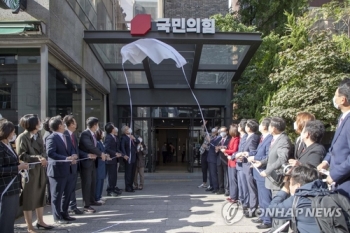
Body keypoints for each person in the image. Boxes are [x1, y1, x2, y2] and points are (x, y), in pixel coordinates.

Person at [16, 114, 53, 232]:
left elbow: (44, 151)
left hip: (40, 170)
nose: (40, 123)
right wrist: (38, 158)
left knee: (41, 195)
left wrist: (43, 157)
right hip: (29, 171)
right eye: (38, 121)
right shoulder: (22, 137)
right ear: (33, 124)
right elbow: (22, 155)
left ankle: (40, 221)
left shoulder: (38, 135)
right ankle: (29, 226)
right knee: (29, 198)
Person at [254, 117, 291, 233]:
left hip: (277, 179)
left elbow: (282, 159)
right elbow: (270, 157)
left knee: (278, 205)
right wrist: (261, 162)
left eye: (269, 125)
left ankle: (280, 229)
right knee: (273, 204)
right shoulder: (275, 139)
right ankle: (274, 228)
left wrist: (268, 170)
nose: (267, 127)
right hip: (271, 179)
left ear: (274, 128)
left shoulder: (283, 140)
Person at [268, 164, 326, 233]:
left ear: (298, 186)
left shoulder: (298, 201)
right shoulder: (331, 194)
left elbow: (271, 210)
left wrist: (284, 190)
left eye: (290, 183)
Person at [317, 78, 350, 199]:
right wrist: (326, 162)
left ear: (343, 99)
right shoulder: (342, 118)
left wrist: (335, 174)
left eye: (335, 96)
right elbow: (336, 147)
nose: (334, 99)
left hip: (345, 182)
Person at [46, 116, 77, 224]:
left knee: (67, 193)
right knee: (57, 195)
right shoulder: (52, 137)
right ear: (59, 125)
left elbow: (71, 149)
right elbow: (50, 153)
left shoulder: (66, 136)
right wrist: (65, 158)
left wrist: (73, 155)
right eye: (63, 123)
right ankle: (57, 217)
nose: (64, 125)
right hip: (57, 171)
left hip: (68, 169)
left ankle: (65, 213)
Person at [0, 120, 29, 233]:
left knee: (10, 216)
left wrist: (21, 165)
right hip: (5, 186)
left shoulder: (7, 145)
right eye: (12, 132)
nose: (14, 134)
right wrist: (18, 168)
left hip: (14, 185)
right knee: (5, 216)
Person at [247, 117, 273, 230]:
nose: (259, 126)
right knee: (261, 196)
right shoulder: (263, 137)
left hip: (263, 170)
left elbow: (268, 156)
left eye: (261, 123)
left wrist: (255, 157)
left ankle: (267, 220)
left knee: (265, 197)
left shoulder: (270, 138)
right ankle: (262, 216)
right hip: (257, 171)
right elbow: (258, 151)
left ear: (265, 126)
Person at [79, 117, 107, 213]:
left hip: (93, 162)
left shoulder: (93, 135)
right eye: (97, 124)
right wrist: (100, 154)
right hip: (86, 162)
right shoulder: (85, 134)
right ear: (94, 125)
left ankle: (92, 200)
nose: (98, 127)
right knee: (87, 183)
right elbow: (89, 146)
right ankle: (86, 205)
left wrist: (100, 154)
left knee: (92, 182)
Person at [237, 119, 260, 217]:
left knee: (251, 188)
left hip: (249, 166)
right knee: (248, 187)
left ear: (249, 128)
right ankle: (251, 206)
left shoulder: (254, 137)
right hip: (245, 164)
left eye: (246, 126)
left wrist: (248, 154)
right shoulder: (247, 137)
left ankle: (253, 208)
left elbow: (254, 151)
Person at [63, 115, 84, 215]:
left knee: (72, 187)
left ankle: (73, 206)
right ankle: (69, 207)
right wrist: (70, 157)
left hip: (75, 165)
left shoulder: (73, 135)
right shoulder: (65, 134)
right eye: (74, 122)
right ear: (71, 124)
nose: (76, 124)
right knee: (68, 188)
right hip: (68, 165)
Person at [104, 123, 125, 197]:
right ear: (111, 129)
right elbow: (106, 148)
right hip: (110, 160)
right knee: (111, 176)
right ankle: (110, 190)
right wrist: (115, 153)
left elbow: (117, 148)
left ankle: (113, 188)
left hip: (115, 160)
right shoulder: (109, 137)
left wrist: (120, 154)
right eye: (113, 127)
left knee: (114, 176)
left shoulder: (114, 137)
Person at [232, 119, 248, 210]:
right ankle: (241, 201)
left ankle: (245, 202)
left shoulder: (246, 137)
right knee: (240, 185)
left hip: (243, 164)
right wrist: (235, 155)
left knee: (244, 185)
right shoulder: (242, 137)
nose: (237, 128)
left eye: (238, 126)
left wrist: (238, 155)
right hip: (238, 164)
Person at [221, 124, 240, 203]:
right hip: (230, 161)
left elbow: (234, 150)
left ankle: (234, 196)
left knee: (233, 180)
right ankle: (232, 195)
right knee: (231, 179)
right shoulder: (232, 138)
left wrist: (225, 151)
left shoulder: (236, 139)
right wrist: (226, 149)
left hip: (233, 162)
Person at [120, 125, 139, 192]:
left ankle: (131, 185)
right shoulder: (124, 138)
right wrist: (124, 155)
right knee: (128, 173)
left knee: (133, 172)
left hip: (134, 157)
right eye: (128, 129)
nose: (129, 129)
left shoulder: (131, 137)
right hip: (128, 157)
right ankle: (128, 187)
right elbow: (122, 147)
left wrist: (134, 138)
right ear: (125, 131)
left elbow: (138, 141)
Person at [216, 126, 231, 195]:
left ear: (227, 132)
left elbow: (226, 147)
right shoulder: (220, 139)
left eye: (223, 131)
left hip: (225, 160)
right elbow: (216, 149)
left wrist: (220, 147)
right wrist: (217, 148)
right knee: (220, 176)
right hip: (219, 160)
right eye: (220, 131)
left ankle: (227, 190)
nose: (222, 133)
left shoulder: (229, 139)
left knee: (227, 176)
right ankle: (221, 189)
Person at [205, 127, 220, 193]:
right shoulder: (213, 138)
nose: (213, 130)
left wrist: (209, 141)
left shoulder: (219, 138)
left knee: (213, 174)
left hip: (214, 158)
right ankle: (212, 185)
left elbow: (215, 145)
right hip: (210, 158)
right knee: (211, 174)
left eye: (215, 129)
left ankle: (215, 187)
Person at [95, 128, 107, 204]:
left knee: (102, 180)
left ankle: (99, 195)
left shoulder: (100, 142)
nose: (103, 134)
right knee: (98, 181)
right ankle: (97, 196)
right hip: (99, 164)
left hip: (103, 163)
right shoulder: (97, 142)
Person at [42, 117, 52, 206]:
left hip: (48, 160)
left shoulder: (48, 134)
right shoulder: (48, 135)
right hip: (48, 161)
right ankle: (50, 199)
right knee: (49, 181)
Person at [198, 121, 210, 188]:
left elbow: (213, 145)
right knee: (204, 169)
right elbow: (201, 132)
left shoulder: (213, 137)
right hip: (203, 153)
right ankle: (204, 183)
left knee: (210, 170)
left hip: (209, 154)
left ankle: (211, 184)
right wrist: (203, 125)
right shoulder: (207, 134)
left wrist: (207, 146)